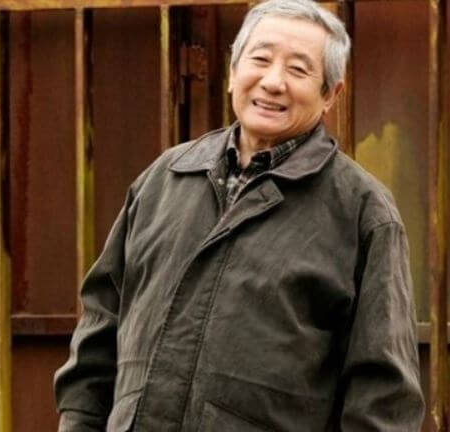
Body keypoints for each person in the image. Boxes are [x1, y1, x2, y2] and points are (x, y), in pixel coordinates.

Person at [54, 0, 425, 430]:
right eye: (260, 60)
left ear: (330, 95)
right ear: (233, 72)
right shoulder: (165, 178)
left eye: (298, 69)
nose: (273, 82)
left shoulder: (362, 211)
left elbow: (383, 398)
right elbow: (100, 330)